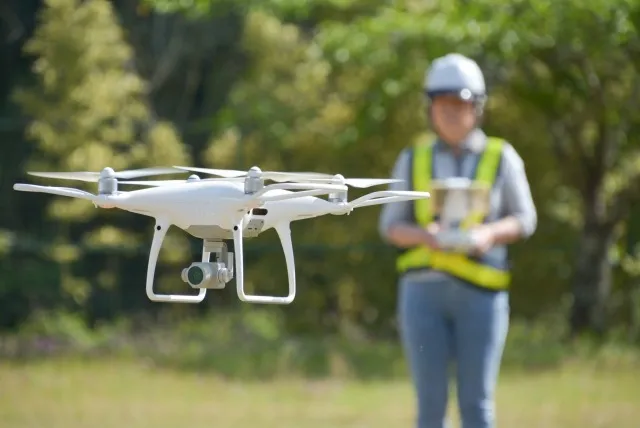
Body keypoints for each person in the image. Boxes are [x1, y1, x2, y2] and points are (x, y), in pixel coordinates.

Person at [378, 53, 537, 428]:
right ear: (429, 107)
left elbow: (525, 218)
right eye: (442, 103)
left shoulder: (502, 156)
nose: (450, 112)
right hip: (423, 294)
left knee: (477, 405)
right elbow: (390, 226)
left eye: (459, 103)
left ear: (476, 107)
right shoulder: (412, 157)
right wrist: (425, 237)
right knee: (430, 407)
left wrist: (489, 233)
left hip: (481, 293)